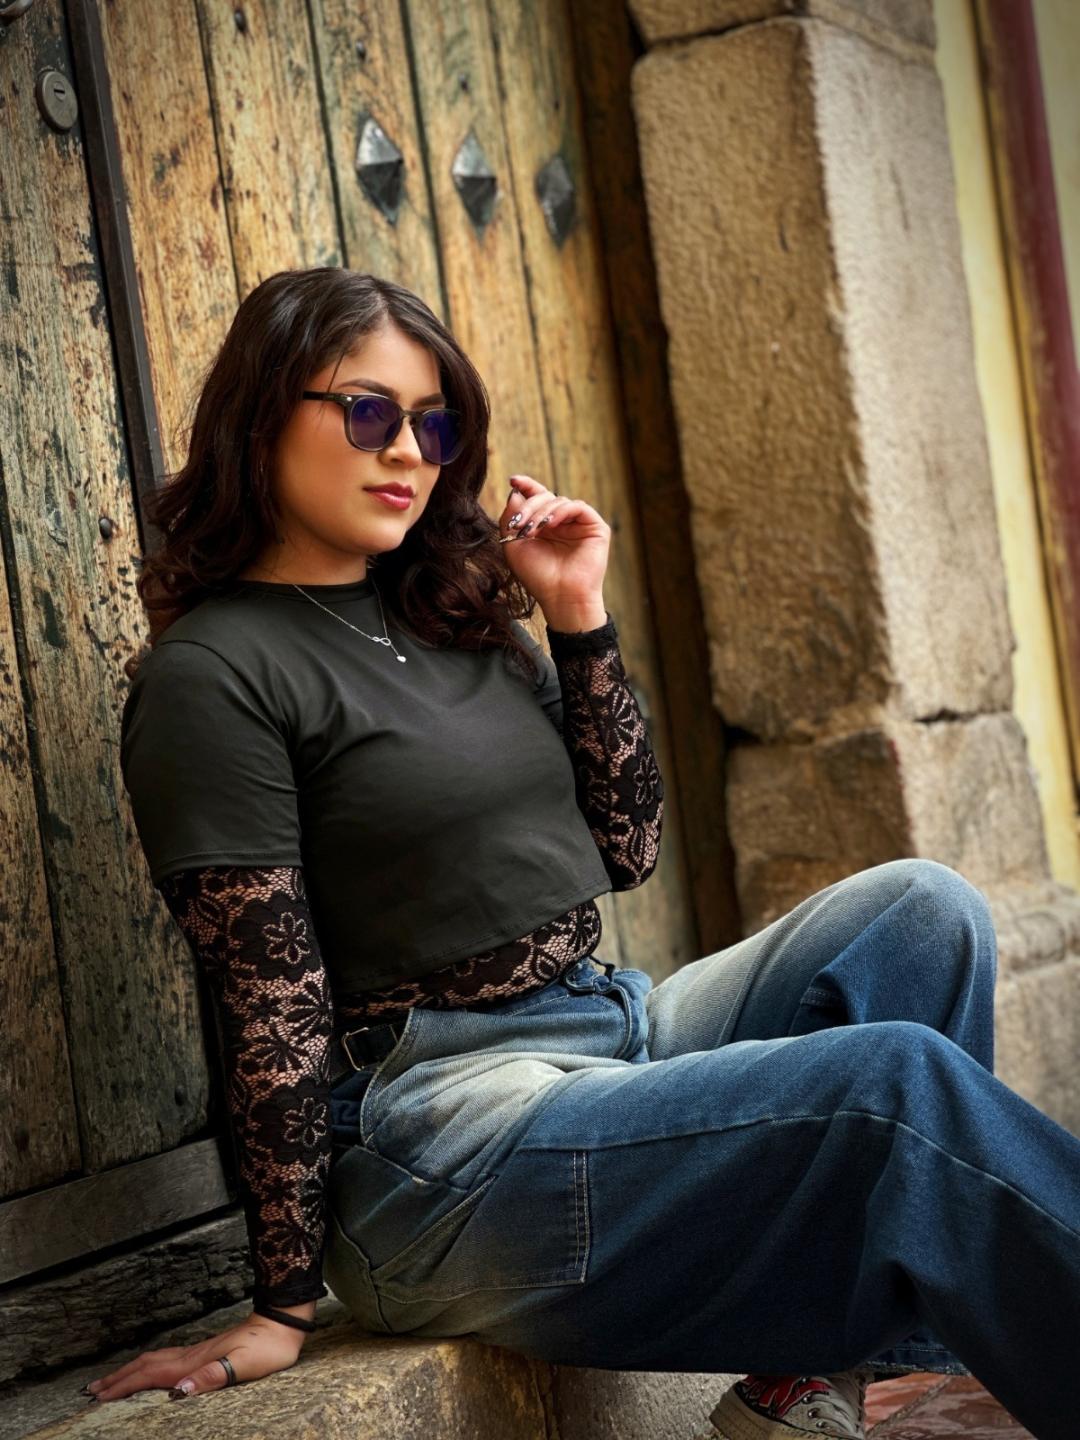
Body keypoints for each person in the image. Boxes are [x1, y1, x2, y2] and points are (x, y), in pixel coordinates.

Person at [97, 267, 1077, 1440]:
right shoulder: (211, 678)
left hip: (611, 1027)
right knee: (892, 1084)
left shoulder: (451, 612)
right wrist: (282, 1304)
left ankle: (807, 1376)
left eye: (433, 424)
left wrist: (575, 615)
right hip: (443, 1135)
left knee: (925, 911)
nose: (406, 450)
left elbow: (628, 845)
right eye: (367, 412)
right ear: (264, 414)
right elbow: (270, 1011)